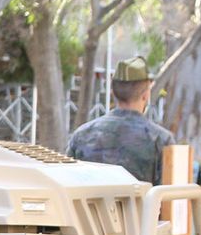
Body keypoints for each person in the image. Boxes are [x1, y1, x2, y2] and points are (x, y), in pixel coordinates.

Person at [67, 56, 174, 184]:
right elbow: (172, 199)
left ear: (113, 92)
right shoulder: (160, 140)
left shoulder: (81, 136)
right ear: (146, 95)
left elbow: (67, 186)